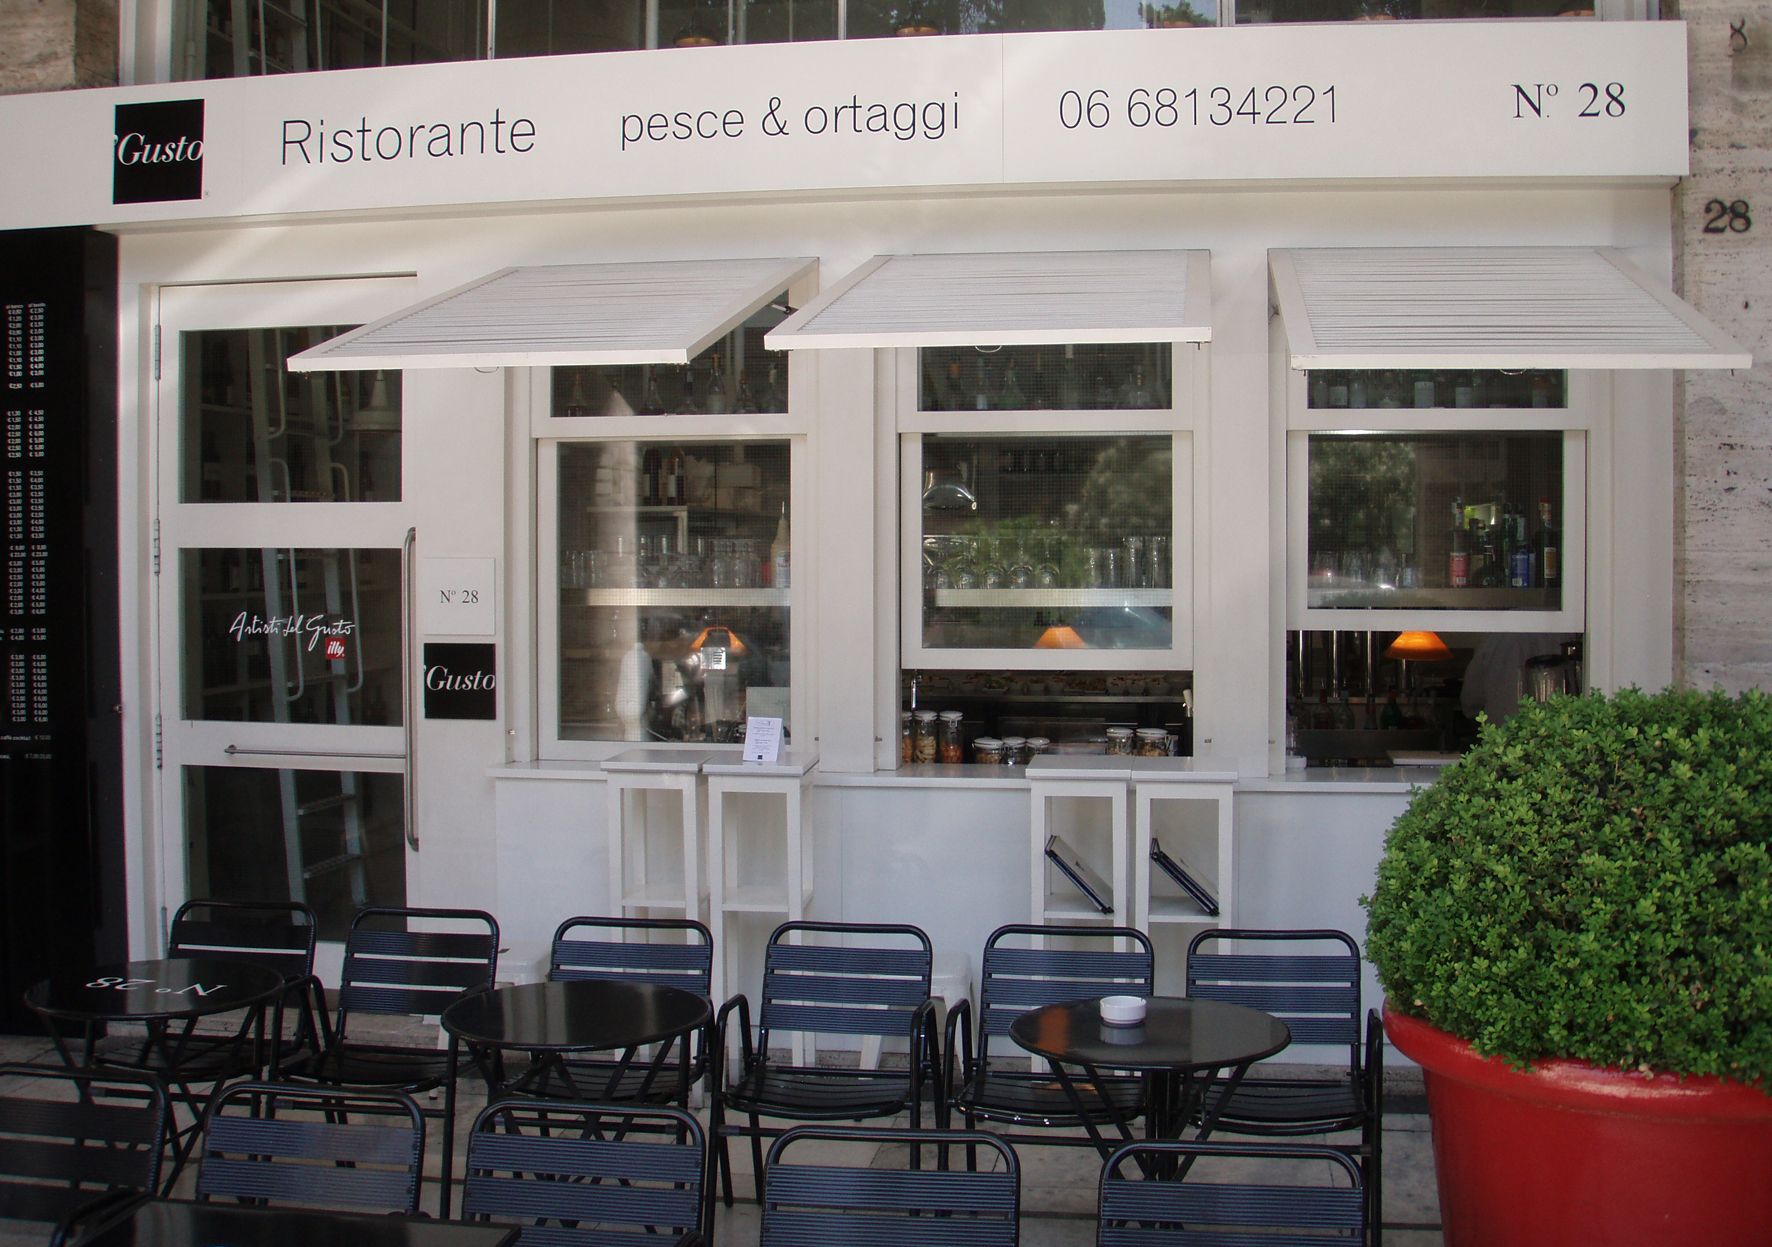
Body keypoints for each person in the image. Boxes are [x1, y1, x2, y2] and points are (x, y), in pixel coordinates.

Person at [1459, 632, 1573, 726]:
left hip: (1502, 734)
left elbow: (1471, 700)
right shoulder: (1565, 631)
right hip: (1555, 734)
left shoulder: (1494, 636)